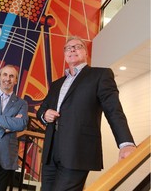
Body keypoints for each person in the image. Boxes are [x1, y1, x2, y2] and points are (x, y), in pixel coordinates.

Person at [36, 36, 136, 191]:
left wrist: (126, 143)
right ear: (65, 55)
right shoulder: (56, 84)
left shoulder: (100, 75)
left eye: (78, 46)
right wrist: (45, 114)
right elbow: (42, 109)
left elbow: (113, 110)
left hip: (78, 150)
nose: (72, 49)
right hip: (51, 152)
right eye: (68, 48)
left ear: (86, 53)